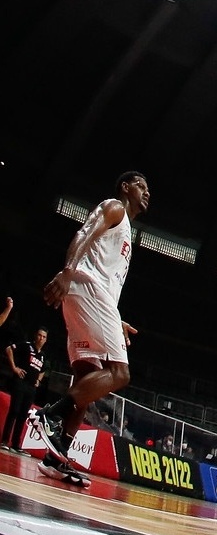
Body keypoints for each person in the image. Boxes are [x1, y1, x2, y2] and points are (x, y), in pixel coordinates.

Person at [34, 172, 150, 485]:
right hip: (85, 288)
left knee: (88, 380)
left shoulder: (125, 230)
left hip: (94, 298)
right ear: (125, 187)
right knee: (120, 373)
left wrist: (115, 317)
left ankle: (56, 456)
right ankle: (50, 416)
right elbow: (84, 233)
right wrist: (67, 271)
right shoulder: (115, 207)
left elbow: (105, 272)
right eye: (141, 185)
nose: (147, 191)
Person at [2, 325, 47, 450]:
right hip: (20, 383)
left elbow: (43, 370)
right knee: (14, 411)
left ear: (46, 340)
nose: (41, 338)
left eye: (44, 337)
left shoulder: (42, 355)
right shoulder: (26, 346)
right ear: (35, 336)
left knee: (23, 415)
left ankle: (16, 444)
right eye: (39, 335)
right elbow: (8, 349)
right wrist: (14, 368)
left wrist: (38, 380)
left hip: (31, 388)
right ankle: (5, 441)